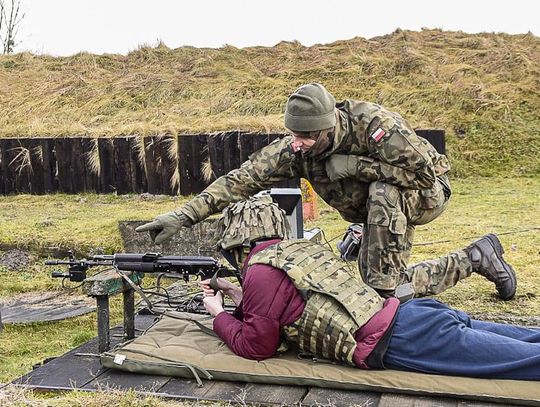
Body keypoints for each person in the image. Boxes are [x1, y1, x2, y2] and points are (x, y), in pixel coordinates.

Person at [136, 83, 516, 300]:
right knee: (381, 289)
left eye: (306, 137)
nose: (297, 144)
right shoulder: (295, 148)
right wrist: (183, 215)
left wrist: (355, 166)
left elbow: (425, 177)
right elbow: (242, 178)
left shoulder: (377, 128)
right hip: (372, 212)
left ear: (328, 127)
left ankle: (390, 288)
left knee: (380, 294)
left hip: (424, 194)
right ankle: (476, 257)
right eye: (293, 135)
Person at [200, 196, 539, 380]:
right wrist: (237, 296)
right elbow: (284, 304)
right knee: (526, 340)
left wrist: (217, 315)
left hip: (403, 340)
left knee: (527, 363)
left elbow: (257, 346)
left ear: (237, 245)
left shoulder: (259, 269)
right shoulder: (296, 252)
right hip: (411, 317)